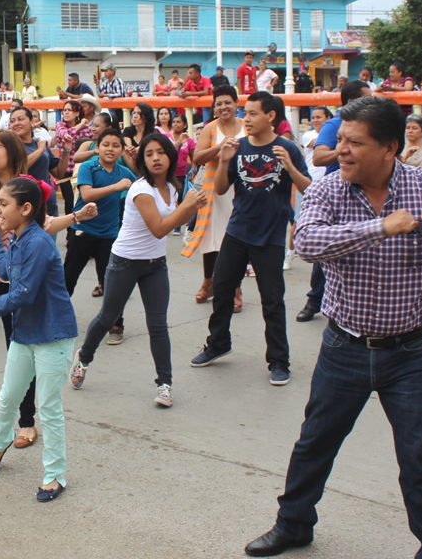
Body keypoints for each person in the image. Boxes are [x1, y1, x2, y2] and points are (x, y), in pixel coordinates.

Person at [242, 96, 422, 559]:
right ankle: (293, 525)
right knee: (315, 443)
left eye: (354, 143)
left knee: (421, 459)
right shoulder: (328, 190)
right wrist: (378, 228)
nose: (341, 151)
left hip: (411, 353)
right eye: (340, 141)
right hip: (344, 345)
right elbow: (307, 241)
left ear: (389, 147)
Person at [0, 130, 94, 431]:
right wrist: (16, 221)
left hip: (17, 280)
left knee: (22, 354)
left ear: (13, 152)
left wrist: (76, 217)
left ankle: (27, 421)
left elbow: (42, 224)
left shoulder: (29, 189)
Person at [69, 134, 205, 407]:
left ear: (170, 157)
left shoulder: (174, 187)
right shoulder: (141, 190)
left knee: (158, 325)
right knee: (108, 317)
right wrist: (189, 206)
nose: (155, 158)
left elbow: (178, 219)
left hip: (155, 265)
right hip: (125, 262)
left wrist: (191, 206)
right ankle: (84, 357)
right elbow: (159, 229)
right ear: (142, 160)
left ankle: (164, 384)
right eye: (149, 154)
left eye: (161, 153)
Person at [189, 90, 311, 388]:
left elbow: (308, 187)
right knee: (221, 289)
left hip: (269, 237)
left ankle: (279, 360)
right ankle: (218, 343)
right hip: (237, 231)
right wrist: (223, 159)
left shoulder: (288, 148)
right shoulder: (238, 147)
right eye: (248, 113)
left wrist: (290, 167)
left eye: (253, 113)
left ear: (271, 116)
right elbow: (219, 190)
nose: (248, 118)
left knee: (272, 301)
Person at [0, 176, 77, 504]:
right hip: (25, 334)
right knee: (8, 397)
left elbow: (23, 294)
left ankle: (55, 474)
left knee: (48, 407)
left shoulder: (38, 242)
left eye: (4, 204)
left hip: (53, 335)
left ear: (26, 208)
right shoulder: (18, 238)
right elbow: (5, 272)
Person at [295, 80, 374, 323]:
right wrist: (347, 150)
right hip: (340, 195)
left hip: (370, 193)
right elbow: (318, 158)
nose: (372, 102)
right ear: (352, 102)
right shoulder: (334, 125)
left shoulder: (374, 125)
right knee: (326, 252)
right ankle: (314, 301)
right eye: (367, 98)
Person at [62, 129, 136, 332]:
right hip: (82, 231)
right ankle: (55, 318)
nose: (110, 149)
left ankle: (116, 324)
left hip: (109, 235)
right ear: (98, 148)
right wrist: (115, 187)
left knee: (111, 282)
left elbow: (142, 187)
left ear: (122, 150)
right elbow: (86, 195)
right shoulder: (89, 166)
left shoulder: (124, 173)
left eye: (115, 145)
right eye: (106, 144)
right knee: (68, 279)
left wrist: (132, 160)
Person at [183, 85, 243, 313]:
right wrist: (219, 147)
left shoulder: (245, 126)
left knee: (235, 241)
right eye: (218, 103)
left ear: (236, 104)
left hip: (241, 190)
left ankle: (235, 289)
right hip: (214, 190)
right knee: (211, 240)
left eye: (227, 102)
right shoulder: (210, 128)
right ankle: (208, 282)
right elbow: (196, 157)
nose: (223, 107)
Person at [53, 99, 92, 239]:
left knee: (82, 201)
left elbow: (90, 143)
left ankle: (84, 233)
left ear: (77, 112)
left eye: (69, 110)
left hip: (82, 169)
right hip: (66, 171)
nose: (66, 113)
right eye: (64, 110)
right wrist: (81, 124)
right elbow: (66, 135)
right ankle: (71, 235)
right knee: (70, 202)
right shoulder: (60, 125)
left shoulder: (87, 129)